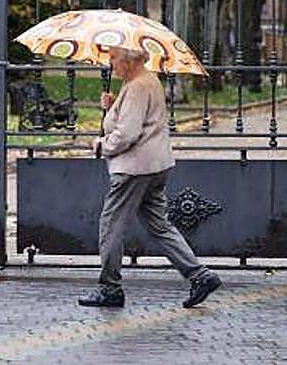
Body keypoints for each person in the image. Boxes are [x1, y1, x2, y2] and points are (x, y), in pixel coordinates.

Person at [78, 45, 222, 309]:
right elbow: (135, 121)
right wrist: (112, 108)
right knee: (159, 225)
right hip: (155, 166)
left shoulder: (136, 87)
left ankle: (109, 287)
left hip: (134, 169)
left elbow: (128, 134)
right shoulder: (147, 81)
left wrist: (101, 145)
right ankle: (200, 275)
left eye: (114, 58)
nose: (111, 64)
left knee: (111, 225)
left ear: (130, 60)